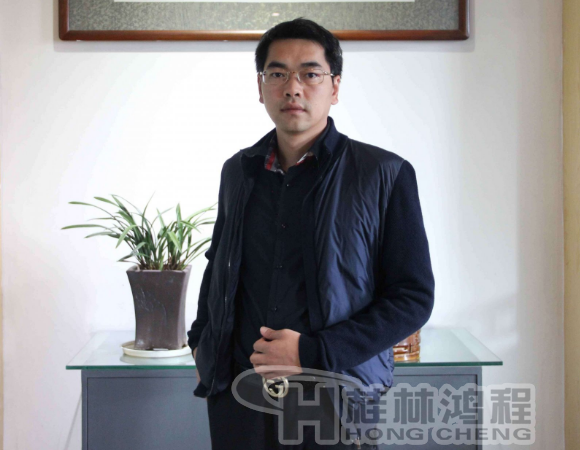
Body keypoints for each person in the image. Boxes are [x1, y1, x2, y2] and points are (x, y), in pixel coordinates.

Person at [188, 17, 435, 450]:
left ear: (334, 86)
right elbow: (219, 265)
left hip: (335, 396)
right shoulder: (239, 171)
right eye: (277, 74)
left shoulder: (383, 174)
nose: (293, 88)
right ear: (260, 86)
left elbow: (412, 297)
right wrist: (201, 343)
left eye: (310, 74)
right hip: (239, 396)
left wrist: (312, 353)